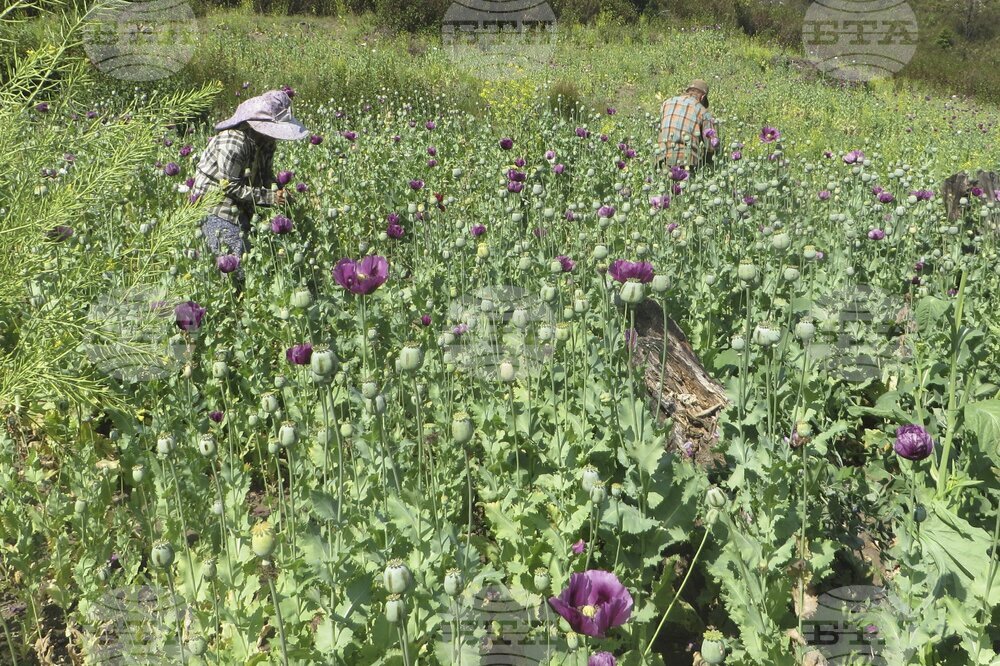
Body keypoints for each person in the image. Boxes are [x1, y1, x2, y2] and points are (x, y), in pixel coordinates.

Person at [190, 89, 308, 284]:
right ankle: (228, 300)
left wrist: (278, 190)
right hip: (215, 205)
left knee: (254, 258)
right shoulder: (233, 142)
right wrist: (271, 198)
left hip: (244, 204)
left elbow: (265, 175)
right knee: (236, 266)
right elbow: (230, 187)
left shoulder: (266, 143)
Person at [655, 79, 718, 173]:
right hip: (685, 162)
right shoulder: (703, 112)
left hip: (661, 158)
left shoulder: (666, 103)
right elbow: (711, 145)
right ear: (703, 97)